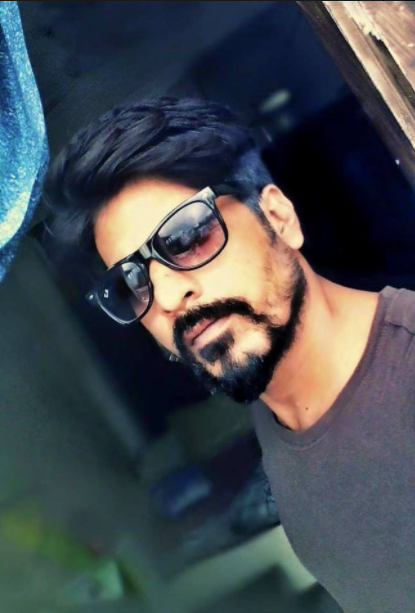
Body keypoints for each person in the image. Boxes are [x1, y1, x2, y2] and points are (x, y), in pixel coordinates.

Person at [43, 97, 415, 613]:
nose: (167, 297)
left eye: (186, 236)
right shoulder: (277, 423)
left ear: (278, 217)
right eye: (131, 283)